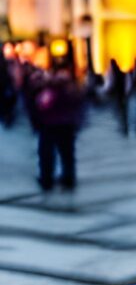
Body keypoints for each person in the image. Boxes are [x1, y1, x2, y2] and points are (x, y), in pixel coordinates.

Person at [28, 61, 85, 190]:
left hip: (50, 126)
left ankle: (47, 179)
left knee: (48, 154)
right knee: (66, 154)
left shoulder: (48, 91)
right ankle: (68, 178)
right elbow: (77, 105)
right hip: (65, 125)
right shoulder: (70, 89)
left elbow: (40, 106)